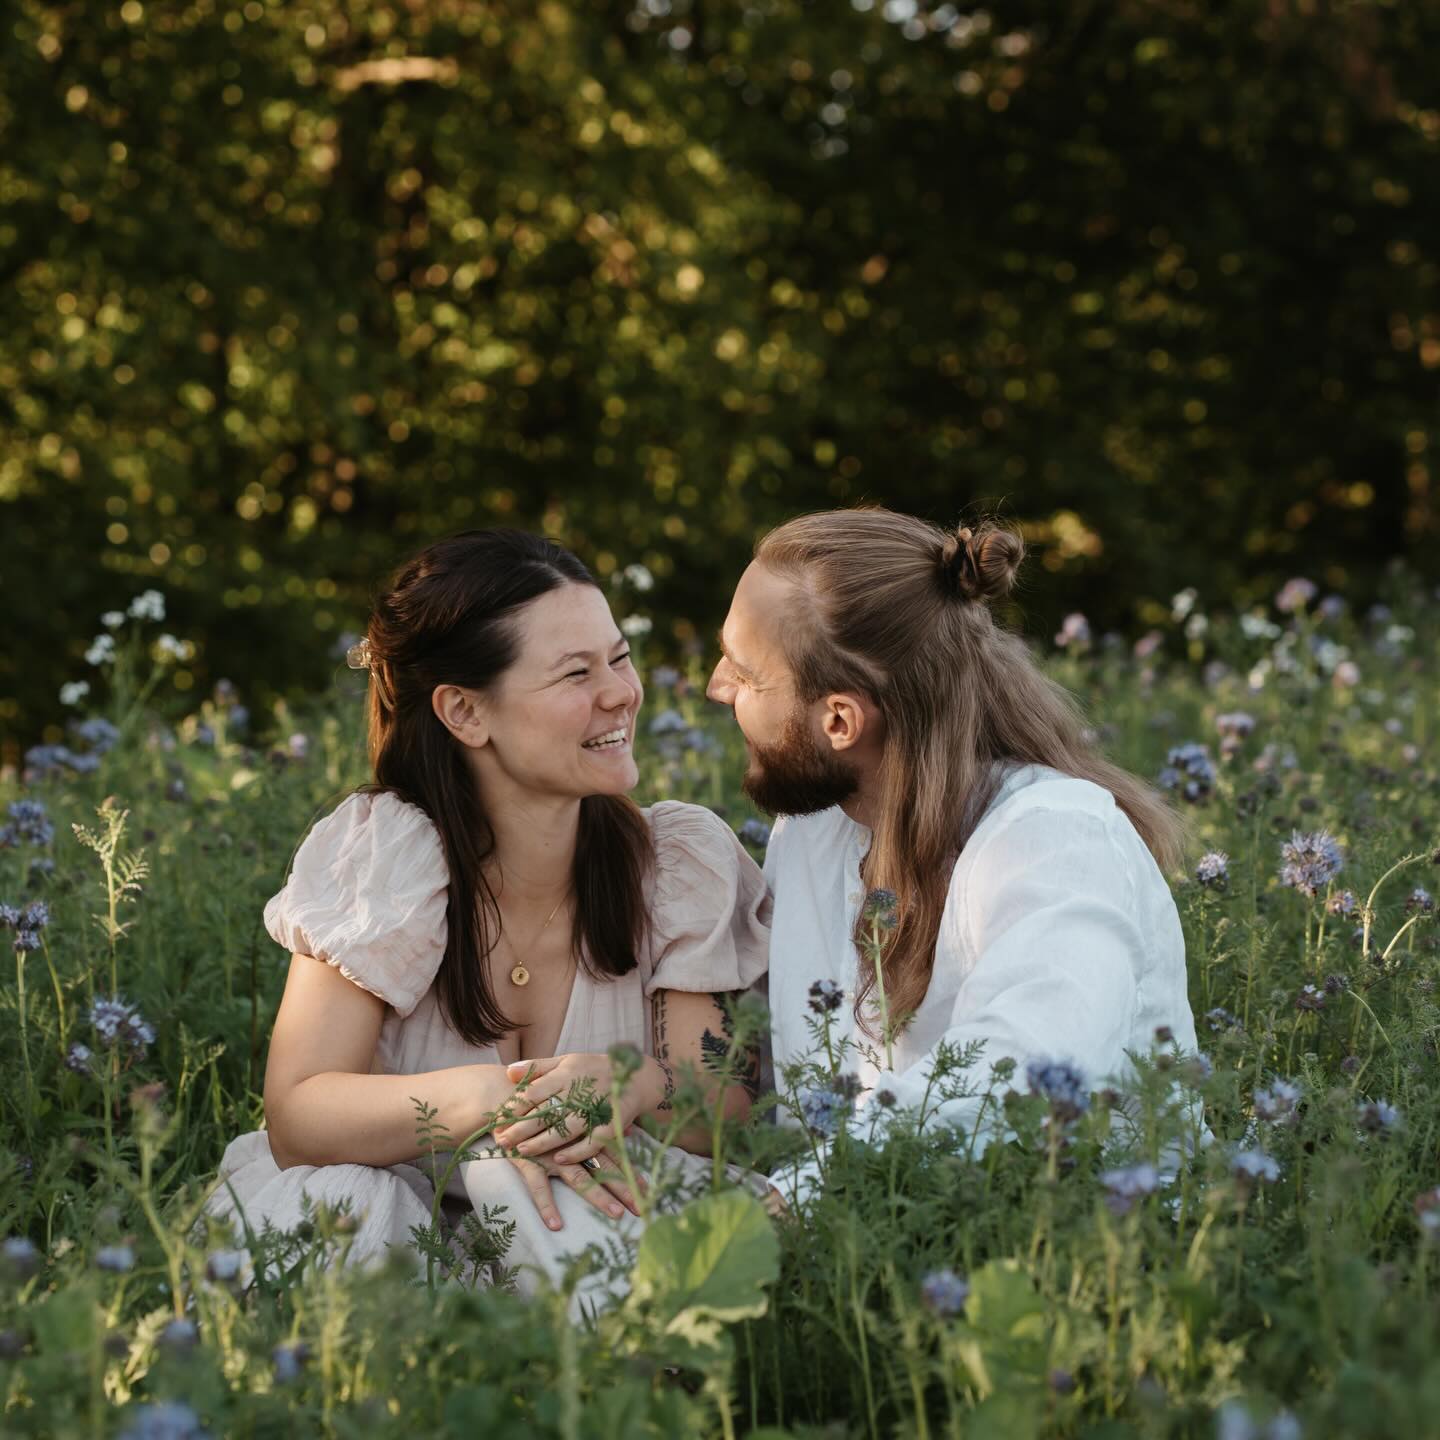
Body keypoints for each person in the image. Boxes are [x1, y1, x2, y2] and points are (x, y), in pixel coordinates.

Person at [210, 530, 769, 1312]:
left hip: (581, 1227)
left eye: (619, 659)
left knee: (679, 1221)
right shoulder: (389, 856)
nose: (620, 693)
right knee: (341, 1211)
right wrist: (491, 1104)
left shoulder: (672, 861)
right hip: (399, 1240)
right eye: (576, 673)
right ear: (465, 711)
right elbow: (300, 1114)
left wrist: (631, 1081)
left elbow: (719, 1119)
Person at [705, 507, 1199, 1202]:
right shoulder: (814, 831)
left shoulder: (1053, 839)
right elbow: (761, 1052)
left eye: (745, 672)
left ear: (840, 720)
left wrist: (786, 1206)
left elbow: (1020, 1078)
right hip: (860, 1238)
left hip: (1079, 1240)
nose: (716, 686)